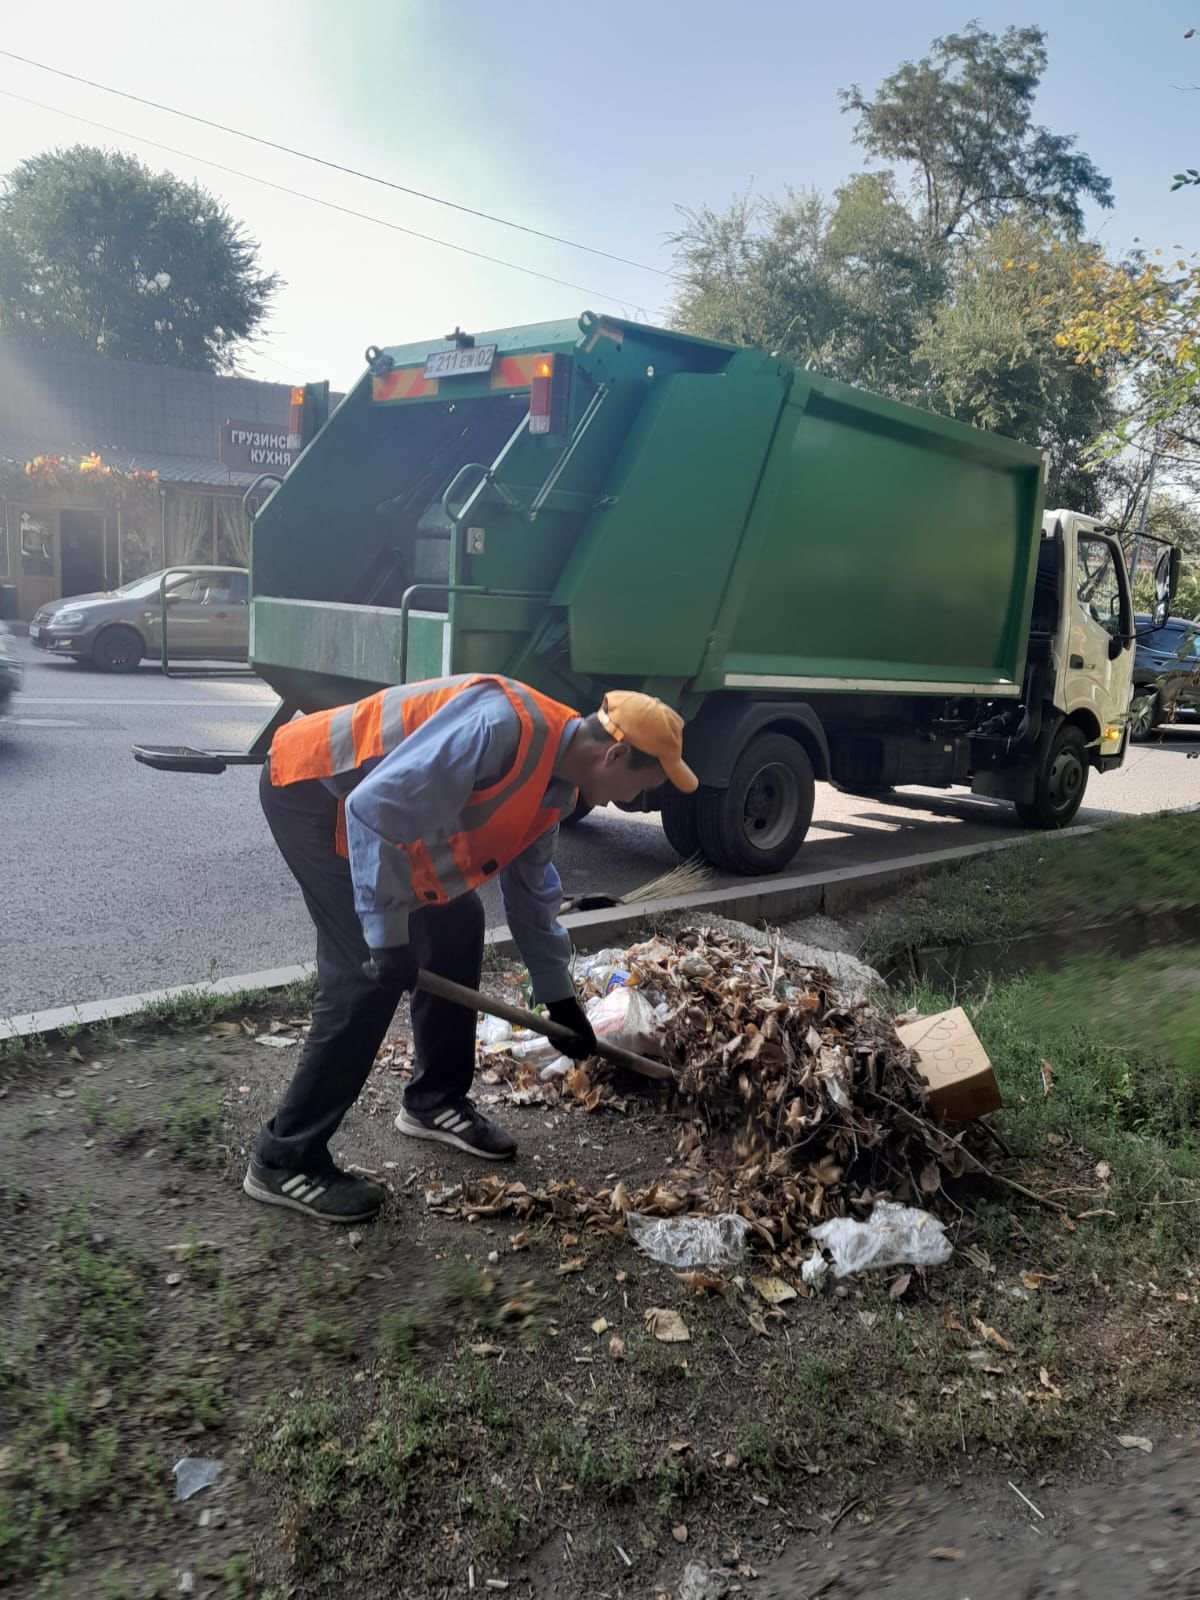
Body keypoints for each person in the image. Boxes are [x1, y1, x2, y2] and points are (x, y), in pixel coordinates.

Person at [243, 673, 699, 1224]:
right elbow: (370, 811)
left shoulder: (555, 791)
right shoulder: (503, 728)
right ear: (616, 754)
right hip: (316, 792)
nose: (637, 799)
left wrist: (560, 1001)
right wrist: (388, 940)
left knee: (459, 921)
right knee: (365, 975)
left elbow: (532, 899)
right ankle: (285, 1158)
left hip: (375, 815)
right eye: (643, 784)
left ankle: (435, 1102)